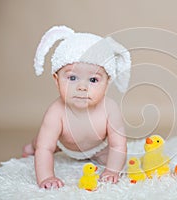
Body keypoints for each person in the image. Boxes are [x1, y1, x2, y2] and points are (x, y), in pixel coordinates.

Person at [22, 25, 131, 189]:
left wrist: (112, 171)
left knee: (116, 159)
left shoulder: (110, 109)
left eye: (93, 80)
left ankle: (104, 164)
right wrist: (47, 177)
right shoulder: (56, 111)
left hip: (97, 148)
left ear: (107, 83)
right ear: (56, 79)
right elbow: (46, 148)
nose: (82, 87)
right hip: (63, 144)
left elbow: (118, 145)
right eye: (72, 77)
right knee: (42, 143)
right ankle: (31, 146)